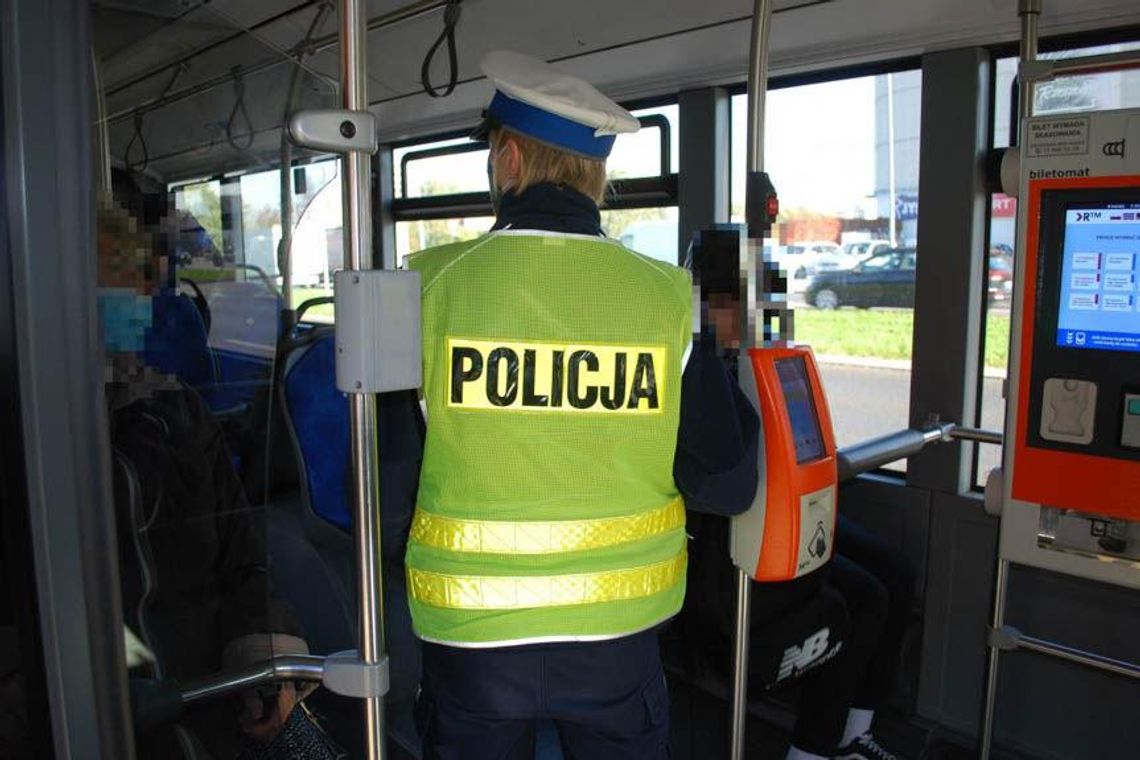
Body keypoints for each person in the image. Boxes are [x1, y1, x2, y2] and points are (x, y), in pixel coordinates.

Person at [402, 50, 759, 759]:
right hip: (617, 640)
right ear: (596, 176)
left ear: (507, 161)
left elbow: (382, 469)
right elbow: (728, 473)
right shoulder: (664, 295)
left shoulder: (422, 286)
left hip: (471, 640)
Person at [97, 195, 337, 759]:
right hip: (106, 704)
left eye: (139, 287)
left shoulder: (173, 410)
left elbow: (242, 559)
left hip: (216, 686)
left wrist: (266, 664)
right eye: (116, 288)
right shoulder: (37, 437)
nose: (136, 305)